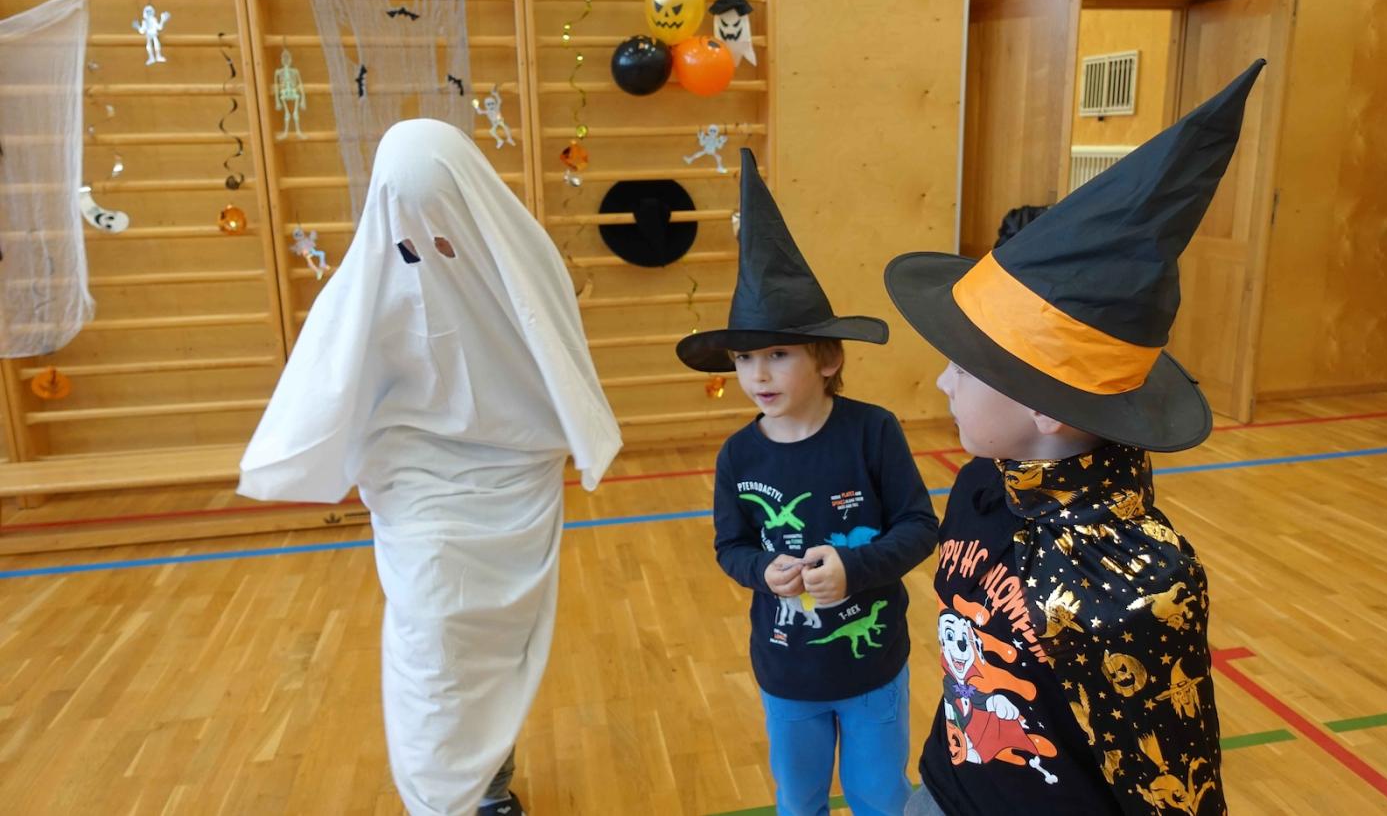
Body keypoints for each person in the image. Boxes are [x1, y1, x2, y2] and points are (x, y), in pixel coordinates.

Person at [885, 60, 1267, 815]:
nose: (942, 382)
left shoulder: (1136, 586)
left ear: (1047, 406)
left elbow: (1175, 794)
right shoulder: (983, 479)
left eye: (965, 366)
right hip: (947, 787)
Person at [238, 118, 621, 816]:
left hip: (513, 477)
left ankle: (489, 786)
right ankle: (443, 798)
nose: (426, 251)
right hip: (415, 480)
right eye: (410, 236)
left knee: (492, 649)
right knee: (434, 638)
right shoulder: (370, 274)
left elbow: (557, 357)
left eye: (443, 231)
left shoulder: (525, 259)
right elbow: (333, 376)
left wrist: (568, 439)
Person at [677, 149, 939, 815]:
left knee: (882, 797)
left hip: (873, 666)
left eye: (778, 353)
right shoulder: (738, 456)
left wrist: (854, 568)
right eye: (744, 358)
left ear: (827, 358)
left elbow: (919, 527)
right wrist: (762, 571)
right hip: (786, 671)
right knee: (798, 800)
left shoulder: (872, 431)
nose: (758, 374)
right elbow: (730, 547)